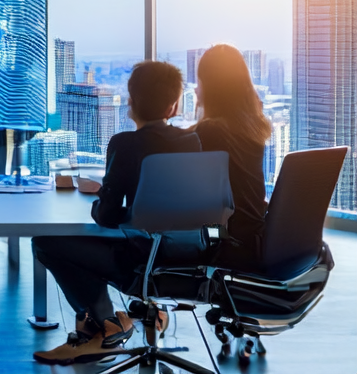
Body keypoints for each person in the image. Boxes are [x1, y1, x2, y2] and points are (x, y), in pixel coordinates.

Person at [32, 60, 201, 365]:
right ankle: (105, 327)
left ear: (131, 103)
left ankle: (107, 325)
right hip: (190, 256)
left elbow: (106, 217)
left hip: (140, 259)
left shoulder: (126, 144)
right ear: (174, 106)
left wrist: (100, 196)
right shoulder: (192, 141)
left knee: (46, 241)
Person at [190, 44, 272, 271]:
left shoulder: (210, 132)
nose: (196, 90)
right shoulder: (254, 127)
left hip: (224, 242)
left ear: (212, 87)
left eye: (199, 82)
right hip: (253, 237)